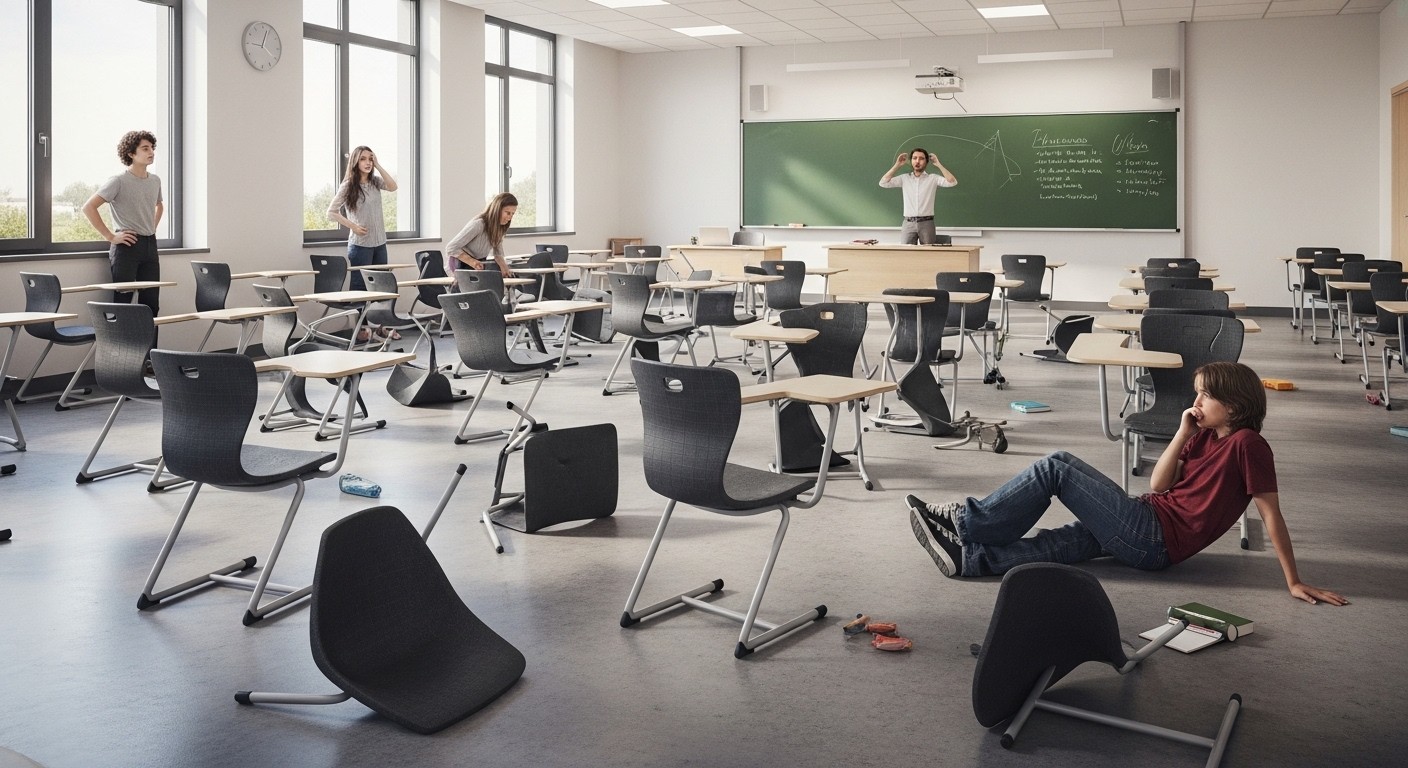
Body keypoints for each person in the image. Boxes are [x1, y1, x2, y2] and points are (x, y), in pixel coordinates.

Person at [907, 361, 1348, 606]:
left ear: (1234, 406)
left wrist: (1293, 581)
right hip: (1148, 521)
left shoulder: (1248, 445)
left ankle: (966, 524)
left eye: (1204, 396)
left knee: (1056, 467)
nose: (1195, 402)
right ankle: (971, 559)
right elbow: (1159, 484)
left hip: (1153, 538)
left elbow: (1271, 515)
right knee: (1064, 544)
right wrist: (1182, 434)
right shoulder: (1205, 436)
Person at [82, 131, 164, 315]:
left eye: (152, 148)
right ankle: (119, 345)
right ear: (131, 154)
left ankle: (149, 346)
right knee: (122, 303)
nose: (151, 151)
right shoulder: (118, 181)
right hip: (127, 247)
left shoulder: (155, 181)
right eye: (145, 148)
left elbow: (159, 207)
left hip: (150, 245)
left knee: (151, 305)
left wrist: (151, 228)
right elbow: (89, 207)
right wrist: (110, 236)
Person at [327, 146, 397, 339]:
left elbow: (393, 186)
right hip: (360, 245)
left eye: (370, 159)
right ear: (356, 162)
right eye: (363, 159)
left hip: (379, 243)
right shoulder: (348, 185)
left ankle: (380, 327)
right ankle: (361, 330)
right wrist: (353, 226)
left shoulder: (375, 182)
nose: (367, 163)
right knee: (360, 289)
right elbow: (331, 212)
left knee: (382, 287)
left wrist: (380, 165)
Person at [878, 148, 957, 245]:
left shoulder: (933, 178)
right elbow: (883, 183)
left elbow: (952, 182)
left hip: (927, 223)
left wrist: (938, 164)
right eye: (914, 158)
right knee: (906, 255)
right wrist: (897, 165)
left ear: (926, 162)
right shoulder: (904, 178)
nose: (917, 161)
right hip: (908, 223)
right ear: (911, 161)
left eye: (921, 158)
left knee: (929, 255)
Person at [445, 192, 517, 277]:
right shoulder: (479, 224)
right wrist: (472, 262)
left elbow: (498, 253)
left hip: (477, 264)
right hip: (459, 264)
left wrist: (505, 269)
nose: (510, 217)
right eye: (508, 213)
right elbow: (451, 248)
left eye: (513, 214)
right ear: (497, 209)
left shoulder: (499, 228)